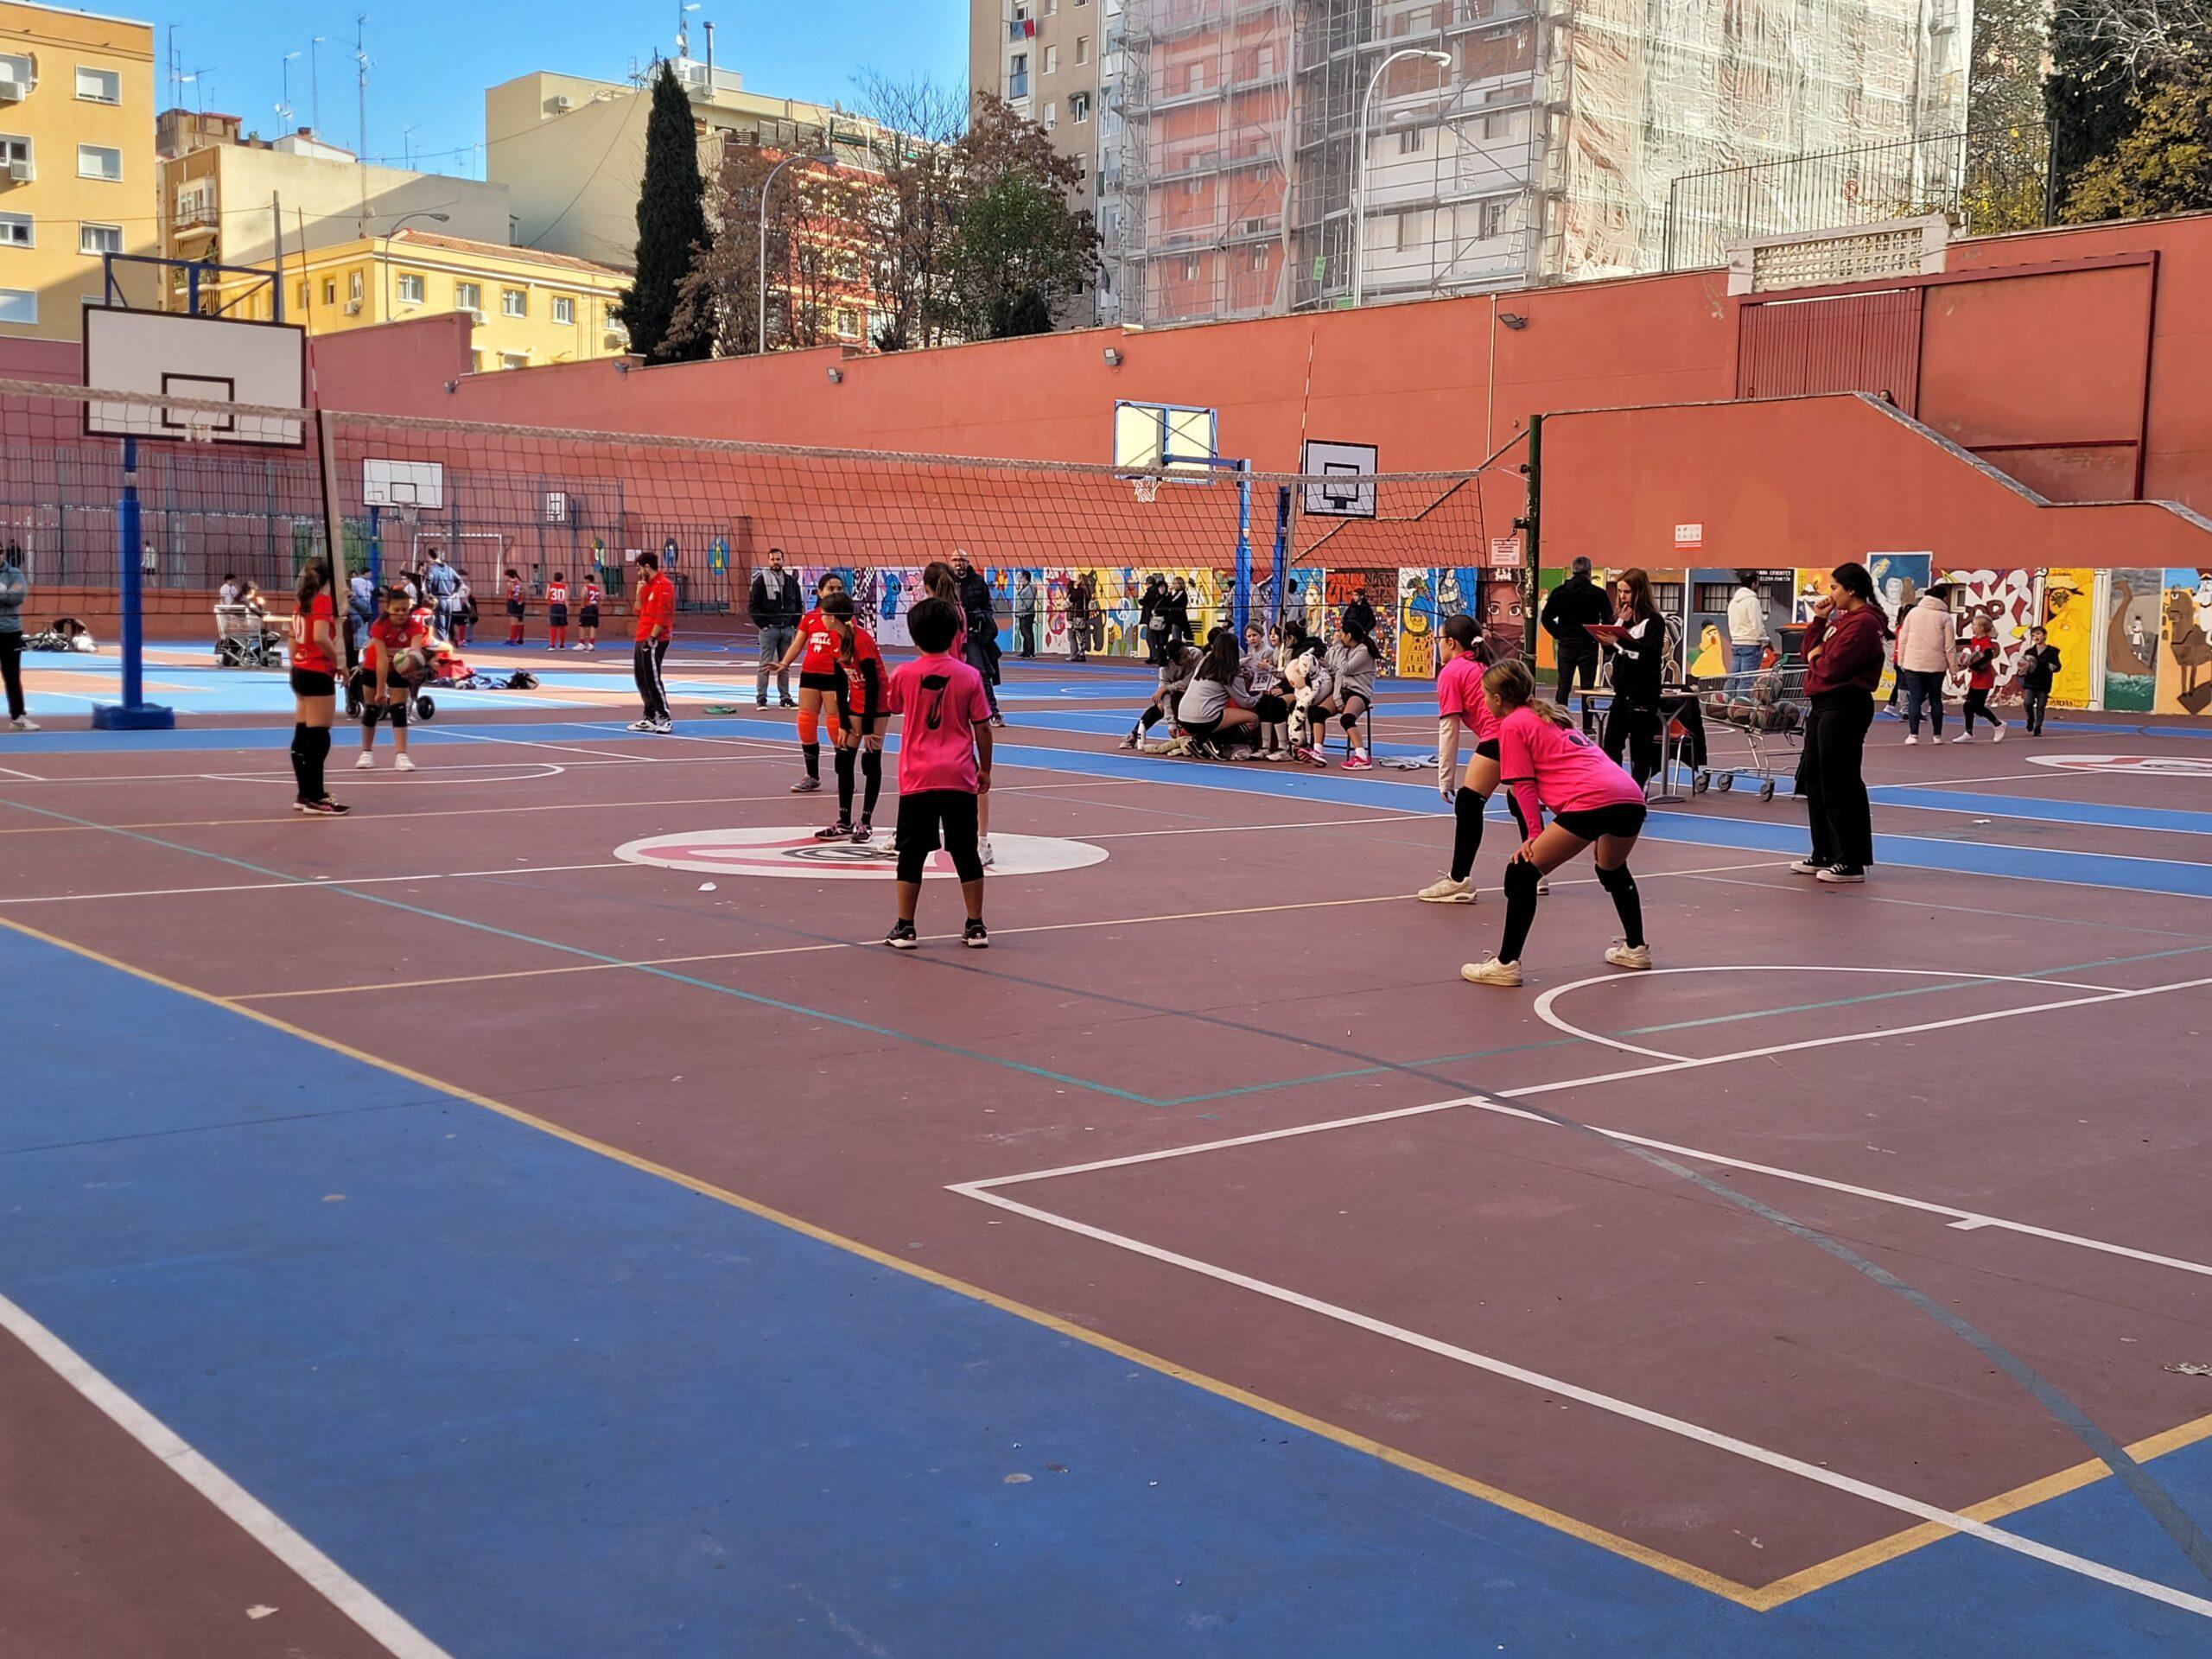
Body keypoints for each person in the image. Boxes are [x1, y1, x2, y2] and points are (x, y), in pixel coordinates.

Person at [1459, 659, 1650, 988]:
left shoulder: (1513, 725)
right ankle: (1636, 948)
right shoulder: (1551, 715)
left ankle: (1506, 964)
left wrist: (1534, 836)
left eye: (1485, 695)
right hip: (1629, 797)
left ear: (1498, 699)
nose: (1484, 701)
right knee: (1611, 869)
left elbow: (1522, 785)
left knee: (1521, 873)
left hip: (1591, 800)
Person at [881, 595, 992, 951]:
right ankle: (975, 926)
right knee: (965, 851)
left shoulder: (904, 674)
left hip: (917, 777)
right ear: (956, 633)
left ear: (914, 637)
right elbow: (983, 728)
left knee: (910, 853)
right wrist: (985, 769)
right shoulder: (970, 675)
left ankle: (905, 927)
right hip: (959, 775)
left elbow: (895, 705)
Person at [1420, 613, 1541, 904]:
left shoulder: (1451, 672)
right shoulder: (1486, 663)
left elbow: (1449, 727)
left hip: (1500, 736)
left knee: (1468, 802)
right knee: (1519, 799)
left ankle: (1459, 880)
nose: (1438, 645)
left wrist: (1444, 779)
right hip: (1523, 732)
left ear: (1451, 642)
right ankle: (1537, 870)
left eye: (1439, 640)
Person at [1789, 562, 1887, 885]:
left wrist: (1817, 657)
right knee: (1816, 780)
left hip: (1844, 705)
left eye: (1834, 587)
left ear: (1851, 589)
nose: (1829, 594)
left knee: (1840, 781)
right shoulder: (1841, 621)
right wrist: (1817, 621)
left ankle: (1852, 859)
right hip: (1823, 704)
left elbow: (1832, 666)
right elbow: (1808, 651)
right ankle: (1825, 851)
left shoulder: (1863, 625)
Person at [814, 591, 887, 843]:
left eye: (823, 614)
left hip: (876, 705)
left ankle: (865, 823)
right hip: (855, 702)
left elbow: (874, 685)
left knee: (870, 761)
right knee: (844, 761)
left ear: (833, 617)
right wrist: (844, 722)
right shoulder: (836, 640)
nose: (821, 618)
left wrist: (867, 727)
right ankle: (844, 822)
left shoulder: (861, 641)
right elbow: (840, 684)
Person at [286, 559, 348, 816]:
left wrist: (297, 663)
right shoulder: (323, 603)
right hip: (316, 672)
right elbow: (320, 637)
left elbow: (292, 640)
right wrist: (340, 664)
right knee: (319, 736)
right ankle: (316, 796)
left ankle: (304, 794)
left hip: (300, 670)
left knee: (303, 734)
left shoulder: (302, 603)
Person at [779, 572, 849, 792]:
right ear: (820, 592)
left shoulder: (846, 619)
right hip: (810, 675)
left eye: (839, 589)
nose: (835, 592)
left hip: (834, 675)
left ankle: (845, 776)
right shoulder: (809, 617)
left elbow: (852, 649)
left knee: (835, 726)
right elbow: (798, 644)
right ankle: (812, 776)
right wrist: (784, 664)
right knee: (806, 723)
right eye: (831, 588)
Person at [1599, 567, 1666, 790]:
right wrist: (1618, 626)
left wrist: (1620, 642)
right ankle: (1617, 788)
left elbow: (1648, 654)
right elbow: (1610, 650)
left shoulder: (1654, 621)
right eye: (1619, 592)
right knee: (1611, 744)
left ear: (1639, 592)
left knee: (1640, 748)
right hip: (1622, 691)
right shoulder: (1621, 619)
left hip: (1644, 692)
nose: (1622, 597)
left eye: (1626, 592)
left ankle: (1637, 791)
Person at [354, 585, 429, 772]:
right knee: (371, 709)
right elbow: (381, 660)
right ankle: (366, 753)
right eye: (396, 610)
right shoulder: (380, 626)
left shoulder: (414, 626)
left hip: (398, 669)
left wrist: (413, 668)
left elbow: (415, 653)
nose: (401, 614)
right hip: (374, 666)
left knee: (399, 709)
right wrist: (381, 690)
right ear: (387, 608)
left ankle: (402, 755)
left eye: (404, 610)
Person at [1540, 556, 1610, 715]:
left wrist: (1559, 634)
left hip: (1566, 643)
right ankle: (1588, 726)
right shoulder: (1598, 594)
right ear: (1589, 571)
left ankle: (1560, 721)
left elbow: (1546, 617)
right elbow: (1607, 621)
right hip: (1588, 644)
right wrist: (1599, 637)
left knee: (1563, 686)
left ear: (1573, 571)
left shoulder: (1560, 592)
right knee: (1588, 688)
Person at [1177, 632, 1260, 756]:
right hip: (1205, 718)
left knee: (1219, 715)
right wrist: (1261, 695)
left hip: (1183, 717)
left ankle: (1199, 742)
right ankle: (1215, 742)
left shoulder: (1204, 662)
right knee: (1253, 719)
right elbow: (1245, 702)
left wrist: (1244, 663)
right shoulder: (1231, 671)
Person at [1893, 585, 1955, 745]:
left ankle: (1913, 735)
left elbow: (1903, 639)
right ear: (1943, 598)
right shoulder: (1945, 617)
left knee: (1914, 698)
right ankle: (1937, 736)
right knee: (1935, 699)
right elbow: (1949, 646)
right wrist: (1953, 669)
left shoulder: (1913, 613)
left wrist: (1901, 660)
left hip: (1913, 663)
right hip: (1936, 665)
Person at [950, 551, 1005, 725]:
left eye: (962, 560)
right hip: (951, 635)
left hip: (973, 634)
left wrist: (983, 619)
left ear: (968, 562)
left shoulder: (978, 581)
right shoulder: (946, 581)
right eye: (955, 560)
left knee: (981, 673)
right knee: (945, 673)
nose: (959, 564)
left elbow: (988, 607)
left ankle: (993, 712)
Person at [627, 549, 676, 734]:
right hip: (641, 636)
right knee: (642, 679)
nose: (639, 574)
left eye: (640, 569)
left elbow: (662, 616)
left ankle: (665, 718)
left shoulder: (664, 585)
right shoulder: (647, 586)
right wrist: (639, 593)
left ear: (647, 567)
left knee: (653, 679)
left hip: (654, 638)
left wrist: (652, 638)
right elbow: (638, 611)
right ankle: (649, 718)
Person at [1122, 639, 1201, 750]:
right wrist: (1171, 723)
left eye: (1188, 652)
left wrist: (1165, 689)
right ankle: (1135, 733)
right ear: (1174, 661)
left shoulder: (1196, 655)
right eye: (1184, 657)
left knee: (1180, 702)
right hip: (1174, 691)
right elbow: (1165, 694)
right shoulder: (1165, 669)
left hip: (1194, 689)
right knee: (1160, 707)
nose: (1189, 657)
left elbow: (1189, 682)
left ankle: (1191, 736)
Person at [1321, 620, 1377, 768]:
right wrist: (1325, 665)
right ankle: (1317, 750)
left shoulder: (1364, 651)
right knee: (1317, 712)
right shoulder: (1347, 650)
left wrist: (1338, 646)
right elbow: (1337, 670)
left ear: (1349, 636)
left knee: (1347, 719)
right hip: (1343, 690)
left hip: (1358, 692)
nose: (1339, 636)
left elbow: (1345, 669)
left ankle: (1361, 756)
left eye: (1342, 634)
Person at [749, 548, 801, 707]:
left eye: (778, 559)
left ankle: (785, 698)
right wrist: (763, 625)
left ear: (783, 560)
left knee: (785, 665)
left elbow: (799, 604)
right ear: (768, 561)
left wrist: (793, 625)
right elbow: (753, 606)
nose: (775, 562)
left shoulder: (791, 582)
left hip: (787, 628)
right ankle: (761, 699)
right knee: (765, 664)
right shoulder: (761, 581)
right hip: (769, 629)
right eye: (772, 559)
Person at [1954, 615, 2007, 743]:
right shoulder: (1975, 640)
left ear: (1981, 628)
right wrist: (1949, 641)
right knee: (1968, 706)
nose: (1971, 627)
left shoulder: (1986, 642)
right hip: (1976, 678)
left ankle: (1998, 724)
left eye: (1973, 624)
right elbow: (1963, 641)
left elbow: (1988, 656)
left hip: (1984, 679)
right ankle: (1969, 732)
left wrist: (1973, 665)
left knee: (1976, 707)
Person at [0, 542, 31, 731]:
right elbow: (9, 596)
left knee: (12, 676)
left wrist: (6, 594)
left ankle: (18, 717)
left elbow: (18, 596)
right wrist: (5, 593)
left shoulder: (14, 573)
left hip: (10, 632)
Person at [1726, 570, 1767, 690]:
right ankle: (1742, 707)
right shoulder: (1752, 601)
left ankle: (1725, 704)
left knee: (1733, 678)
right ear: (1754, 583)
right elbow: (1757, 625)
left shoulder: (1733, 602)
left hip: (1736, 643)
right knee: (1747, 680)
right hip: (1750, 645)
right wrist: (1765, 640)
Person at [2017, 626, 2061, 736]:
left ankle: (2038, 727)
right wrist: (2022, 671)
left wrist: (2054, 667)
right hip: (2031, 682)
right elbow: (2023, 666)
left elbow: (2058, 666)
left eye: (2038, 634)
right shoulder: (2029, 652)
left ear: (2044, 636)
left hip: (2043, 682)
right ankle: (2030, 719)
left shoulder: (2052, 652)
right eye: (2033, 635)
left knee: (2041, 706)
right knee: (2027, 703)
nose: (2035, 637)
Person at [422, 548, 460, 641]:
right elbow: (459, 581)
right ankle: (445, 646)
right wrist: (455, 593)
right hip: (449, 600)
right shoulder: (449, 569)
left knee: (439, 627)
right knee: (446, 628)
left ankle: (442, 650)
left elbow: (428, 581)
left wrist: (430, 594)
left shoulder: (432, 569)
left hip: (438, 600)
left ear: (430, 557)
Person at [1141, 575, 1168, 664]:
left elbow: (1145, 601)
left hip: (1155, 619)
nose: (1161, 589)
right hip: (1155, 618)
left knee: (1151, 638)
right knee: (1156, 639)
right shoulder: (1160, 595)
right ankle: (1154, 656)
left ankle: (1155, 656)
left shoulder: (1153, 592)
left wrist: (1141, 601)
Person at [1066, 574, 1092, 663]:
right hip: (1083, 617)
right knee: (1081, 636)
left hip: (1075, 617)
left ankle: (1074, 655)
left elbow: (1068, 603)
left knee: (1072, 636)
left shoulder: (1076, 593)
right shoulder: (1087, 593)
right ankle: (1082, 654)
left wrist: (1074, 587)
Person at [1163, 577, 1193, 653]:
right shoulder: (1177, 593)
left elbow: (1171, 603)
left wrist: (1169, 593)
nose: (1173, 585)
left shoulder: (1181, 593)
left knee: (1176, 638)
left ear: (1179, 584)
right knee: (1176, 636)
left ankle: (1178, 652)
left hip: (1178, 619)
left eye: (1174, 583)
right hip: (1175, 618)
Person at [1341, 582, 1377, 646]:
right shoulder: (1351, 607)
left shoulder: (1366, 608)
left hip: (1361, 637)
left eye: (1356, 595)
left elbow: (1373, 621)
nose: (1354, 597)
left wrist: (1365, 630)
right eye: (1353, 595)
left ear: (1362, 596)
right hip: (1351, 636)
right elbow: (1345, 619)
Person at [1013, 571, 1039, 658]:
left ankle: (1030, 652)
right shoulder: (1024, 588)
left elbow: (1030, 601)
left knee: (1027, 633)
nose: (1020, 580)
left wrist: (1024, 608)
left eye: (1021, 578)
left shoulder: (1031, 587)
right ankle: (1025, 651)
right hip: (1022, 613)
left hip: (1027, 614)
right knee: (1023, 632)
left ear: (1025, 578)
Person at [545, 570, 570, 652]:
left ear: (554, 578)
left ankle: (552, 645)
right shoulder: (565, 586)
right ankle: (562, 645)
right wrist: (568, 609)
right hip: (562, 606)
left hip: (554, 606)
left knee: (553, 626)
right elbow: (566, 599)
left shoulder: (550, 585)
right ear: (562, 579)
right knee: (562, 626)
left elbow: (546, 597)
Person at [576, 571, 601, 652]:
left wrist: (582, 606)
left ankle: (581, 644)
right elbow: (600, 598)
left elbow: (582, 596)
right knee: (593, 626)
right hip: (595, 607)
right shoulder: (597, 589)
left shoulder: (586, 588)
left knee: (582, 625)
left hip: (587, 607)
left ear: (587, 580)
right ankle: (591, 644)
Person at [503, 568, 526, 647]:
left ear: (508, 576)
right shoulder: (519, 581)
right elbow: (522, 591)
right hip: (520, 602)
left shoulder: (511, 583)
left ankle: (512, 639)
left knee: (513, 620)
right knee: (519, 620)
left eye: (505, 575)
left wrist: (514, 593)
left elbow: (514, 591)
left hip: (513, 602)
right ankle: (520, 639)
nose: (504, 577)